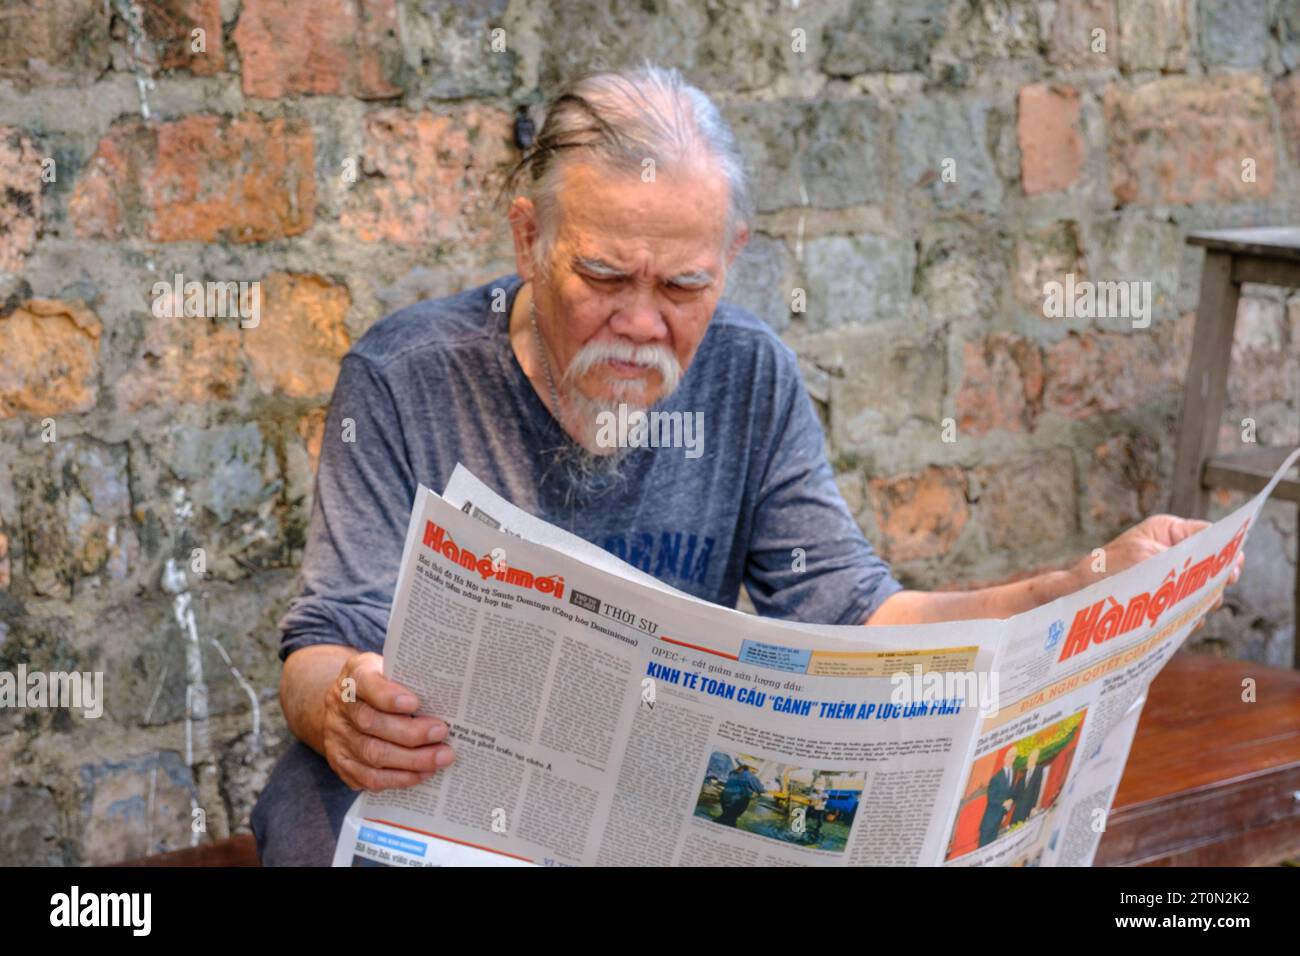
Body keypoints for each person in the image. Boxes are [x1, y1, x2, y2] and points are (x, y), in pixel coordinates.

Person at [251, 63, 1245, 866]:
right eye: (601, 275)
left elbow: (853, 608)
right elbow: (325, 637)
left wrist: (1075, 584)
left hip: (649, 793)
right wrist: (346, 703)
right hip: (440, 793)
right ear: (528, 238)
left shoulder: (748, 372)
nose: (640, 324)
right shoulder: (406, 375)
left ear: (730, 255)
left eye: (684, 285)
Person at [978, 749, 1021, 848]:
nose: (1011, 759)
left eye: (1014, 756)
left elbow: (1010, 793)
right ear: (1004, 759)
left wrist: (1010, 802)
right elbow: (991, 798)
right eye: (1009, 756)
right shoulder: (996, 778)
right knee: (982, 848)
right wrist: (1004, 802)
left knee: (991, 846)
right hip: (990, 819)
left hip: (1000, 817)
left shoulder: (1013, 774)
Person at [1011, 748, 1044, 825]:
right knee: (1013, 826)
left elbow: (1037, 790)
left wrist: (1033, 807)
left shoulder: (1038, 772)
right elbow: (1015, 793)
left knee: (1023, 826)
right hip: (1018, 810)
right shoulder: (1022, 777)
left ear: (1036, 759)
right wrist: (1011, 800)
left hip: (1028, 809)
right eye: (1030, 757)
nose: (1030, 760)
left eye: (1033, 758)